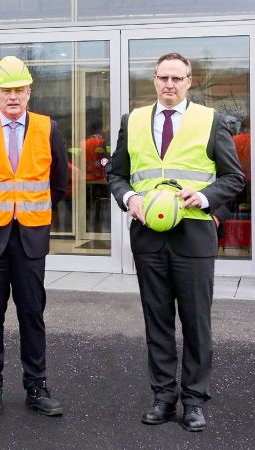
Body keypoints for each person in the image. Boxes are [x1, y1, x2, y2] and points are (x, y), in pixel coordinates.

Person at [106, 52, 245, 432]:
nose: (169, 84)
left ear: (188, 82)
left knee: (197, 323)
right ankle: (164, 398)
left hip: (193, 237)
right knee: (158, 322)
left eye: (176, 78)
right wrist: (129, 198)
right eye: (162, 78)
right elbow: (116, 175)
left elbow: (234, 178)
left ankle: (195, 401)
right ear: (154, 80)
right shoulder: (131, 121)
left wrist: (203, 199)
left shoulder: (210, 120)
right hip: (148, 237)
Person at [0, 56, 68, 417]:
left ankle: (36, 387)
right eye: (7, 91)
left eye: (19, 90)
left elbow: (60, 183)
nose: (13, 97)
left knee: (32, 313)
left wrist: (31, 210)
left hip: (30, 238)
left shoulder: (48, 128)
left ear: (29, 91)